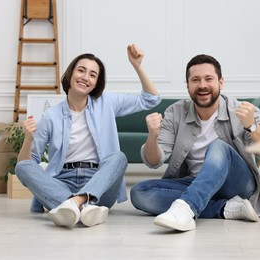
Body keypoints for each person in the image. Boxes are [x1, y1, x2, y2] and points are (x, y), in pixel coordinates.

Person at [130, 54, 260, 232]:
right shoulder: (175, 112)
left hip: (237, 186)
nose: (202, 85)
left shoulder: (241, 110)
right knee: (139, 193)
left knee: (218, 146)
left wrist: (252, 126)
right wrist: (152, 136)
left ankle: (186, 208)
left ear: (221, 82)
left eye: (208, 79)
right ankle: (224, 208)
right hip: (195, 183)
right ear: (187, 85)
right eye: (195, 79)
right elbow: (153, 161)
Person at [15, 44, 161, 228]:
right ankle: (85, 207)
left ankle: (74, 204)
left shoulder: (107, 102)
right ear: (70, 74)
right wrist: (28, 140)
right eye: (81, 71)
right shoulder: (51, 116)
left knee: (118, 157)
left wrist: (137, 66)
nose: (85, 77)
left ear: (96, 83)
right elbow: (28, 163)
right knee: (22, 167)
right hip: (62, 182)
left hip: (100, 182)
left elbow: (151, 99)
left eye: (92, 75)